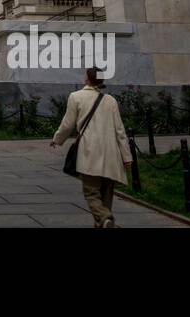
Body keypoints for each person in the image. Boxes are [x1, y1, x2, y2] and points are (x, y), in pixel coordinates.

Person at [51, 68, 134, 228]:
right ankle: (105, 221)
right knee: (106, 195)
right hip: (111, 154)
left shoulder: (76, 97)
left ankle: (104, 218)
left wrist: (57, 139)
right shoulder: (110, 100)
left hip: (90, 152)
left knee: (91, 192)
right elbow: (120, 131)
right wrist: (127, 157)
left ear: (87, 79)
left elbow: (68, 124)